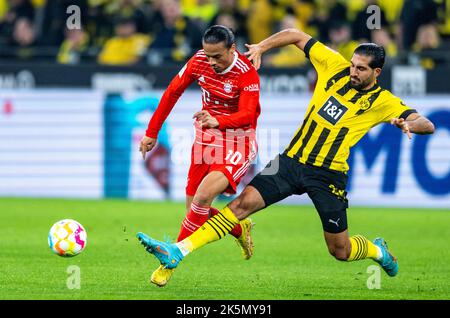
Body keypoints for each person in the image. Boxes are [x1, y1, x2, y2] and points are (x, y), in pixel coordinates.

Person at [137, 27, 436, 281]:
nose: (353, 71)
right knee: (240, 205)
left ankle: (377, 250)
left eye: (360, 69)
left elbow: (427, 124)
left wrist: (405, 122)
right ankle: (179, 250)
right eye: (353, 64)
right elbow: (295, 34)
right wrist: (262, 47)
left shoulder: (384, 101)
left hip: (327, 175)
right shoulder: (334, 65)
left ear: (376, 72)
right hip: (290, 161)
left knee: (340, 251)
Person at [138, 25, 261, 286]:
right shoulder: (199, 61)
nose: (212, 62)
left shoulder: (246, 74)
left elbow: (249, 114)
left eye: (218, 56)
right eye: (208, 55)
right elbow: (173, 91)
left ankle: (169, 262)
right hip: (206, 139)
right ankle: (240, 228)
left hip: (238, 141)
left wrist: (218, 119)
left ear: (232, 49)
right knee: (194, 211)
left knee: (204, 196)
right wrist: (152, 132)